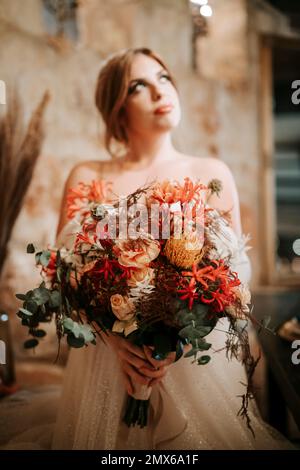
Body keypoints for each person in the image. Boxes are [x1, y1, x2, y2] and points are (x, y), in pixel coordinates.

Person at [0, 47, 295, 450]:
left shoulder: (212, 175)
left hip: (197, 371)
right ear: (117, 108)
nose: (160, 91)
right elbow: (66, 277)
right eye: (138, 85)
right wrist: (114, 341)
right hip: (106, 369)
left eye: (164, 77)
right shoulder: (87, 177)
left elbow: (232, 281)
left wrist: (180, 343)